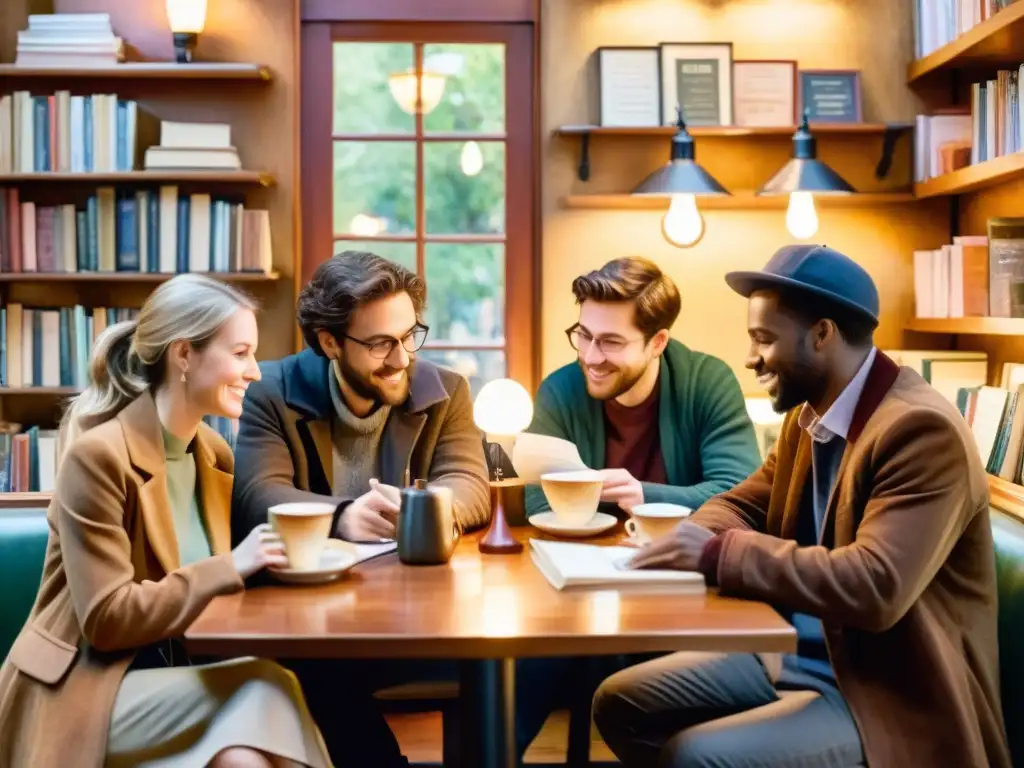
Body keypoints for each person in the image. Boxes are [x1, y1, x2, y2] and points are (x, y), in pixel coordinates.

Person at [595, 244, 1011, 767]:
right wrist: (695, 538)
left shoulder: (921, 431)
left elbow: (875, 585)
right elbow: (741, 505)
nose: (750, 357)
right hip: (799, 652)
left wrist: (716, 555)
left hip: (884, 689)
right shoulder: (810, 416)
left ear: (822, 334)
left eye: (763, 339)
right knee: (620, 702)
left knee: (694, 755)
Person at [0, 275, 331, 768]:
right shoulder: (98, 458)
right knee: (266, 685)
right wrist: (232, 565)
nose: (255, 372)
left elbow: (215, 586)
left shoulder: (213, 456)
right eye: (240, 353)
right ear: (183, 355)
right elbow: (106, 620)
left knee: (244, 757)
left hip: (177, 677)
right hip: (86, 691)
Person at [231, 250, 490, 767]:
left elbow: (470, 485)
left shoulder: (447, 390)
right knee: (316, 668)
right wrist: (343, 516)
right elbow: (257, 495)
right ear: (330, 341)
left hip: (416, 614)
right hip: (310, 615)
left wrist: (424, 505)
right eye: (379, 344)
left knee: (497, 665)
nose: (401, 359)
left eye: (409, 336)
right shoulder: (273, 393)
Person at [516, 256, 762, 755]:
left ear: (657, 343)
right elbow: (533, 492)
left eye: (610, 342)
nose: (590, 355)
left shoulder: (706, 382)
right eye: (582, 335)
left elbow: (739, 488)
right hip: (580, 588)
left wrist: (643, 495)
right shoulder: (562, 390)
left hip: (685, 591)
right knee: (520, 661)